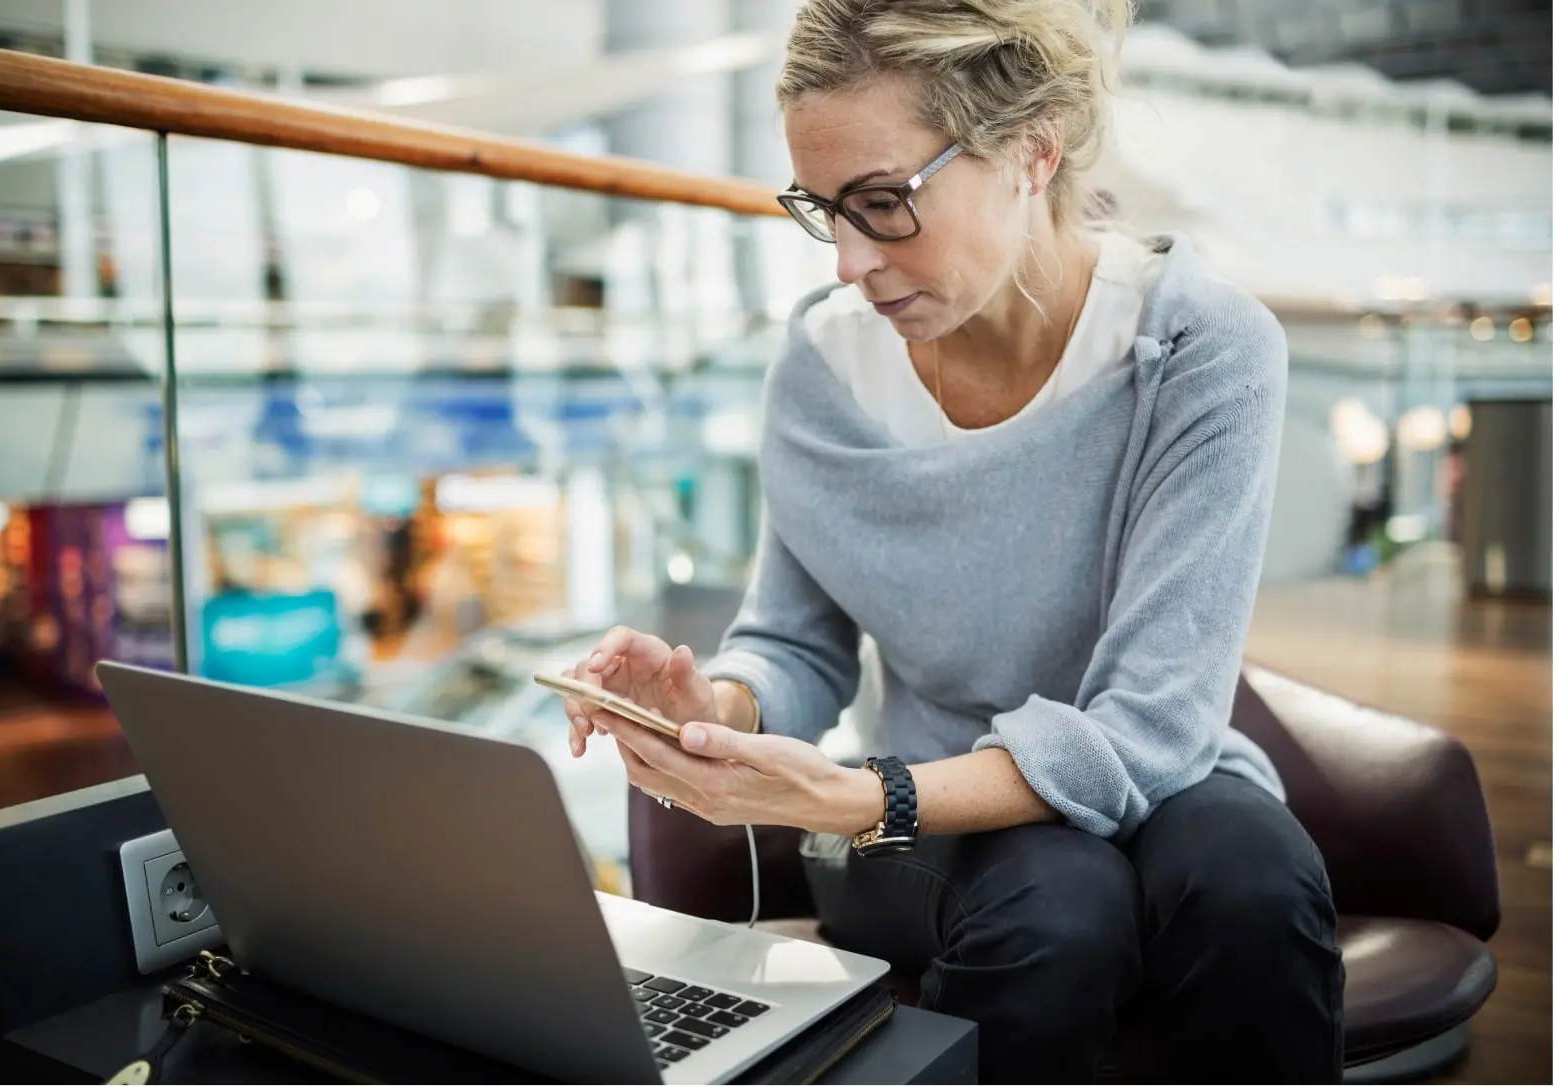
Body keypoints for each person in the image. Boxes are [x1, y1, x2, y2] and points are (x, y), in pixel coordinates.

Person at [560, 0, 1344, 1080]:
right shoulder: (825, 371)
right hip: (922, 825)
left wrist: (865, 793)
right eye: (822, 208)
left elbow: (1157, 728)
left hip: (1082, 782)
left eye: (882, 203)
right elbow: (795, 646)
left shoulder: (1198, 349)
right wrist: (713, 707)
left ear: (1031, 152)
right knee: (1057, 903)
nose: (845, 261)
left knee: (1253, 876)